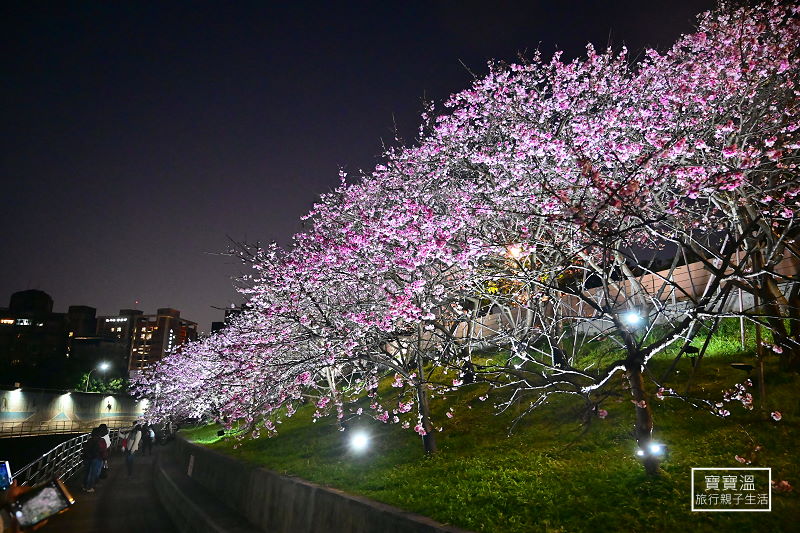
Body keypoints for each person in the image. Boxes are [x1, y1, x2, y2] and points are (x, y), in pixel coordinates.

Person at [81, 427, 106, 492]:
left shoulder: (90, 440)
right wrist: (104, 458)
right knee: (93, 473)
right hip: (97, 458)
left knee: (87, 473)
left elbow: (85, 449)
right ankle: (89, 487)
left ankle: (84, 486)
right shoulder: (101, 440)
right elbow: (103, 450)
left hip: (88, 458)